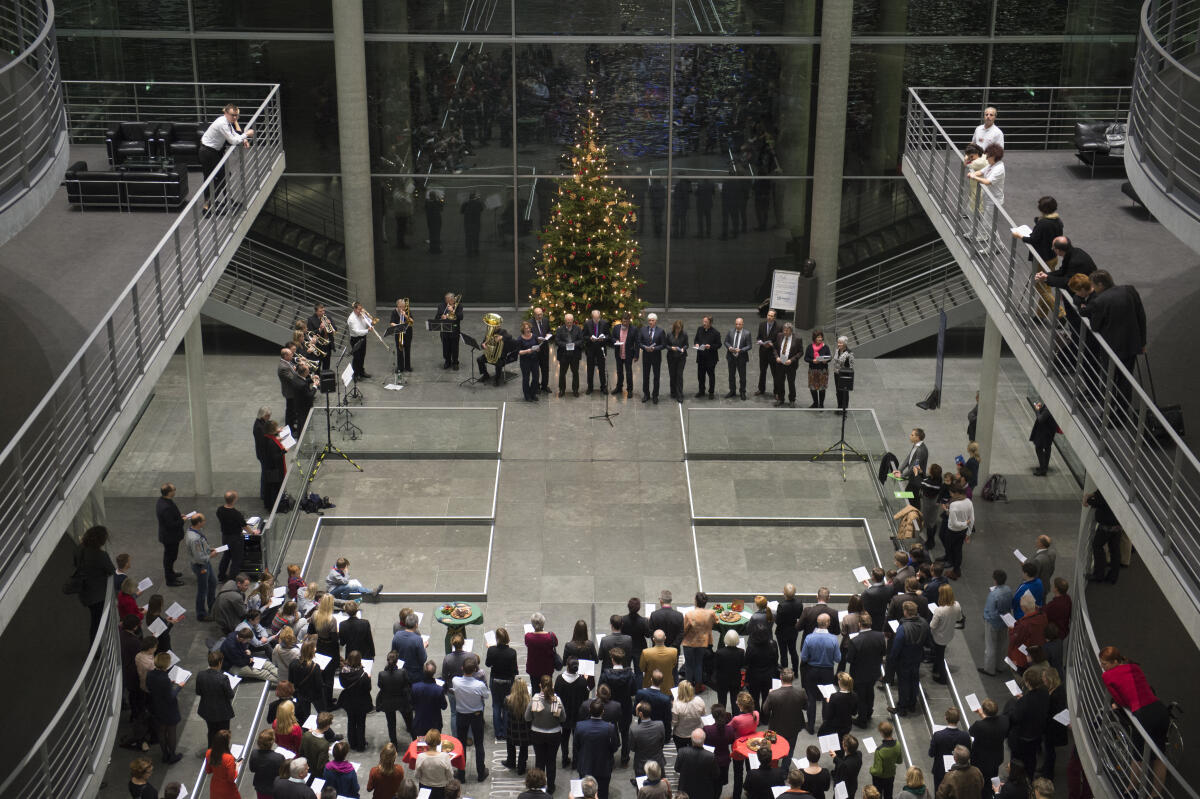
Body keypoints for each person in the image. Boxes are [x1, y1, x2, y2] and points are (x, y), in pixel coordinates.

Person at [1099, 645, 1170, 786]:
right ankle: (1155, 794)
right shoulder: (1134, 666)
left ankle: (1131, 788)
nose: (1102, 667)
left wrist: (1118, 705)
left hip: (1143, 715)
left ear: (1114, 662)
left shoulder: (1107, 676)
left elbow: (1121, 700)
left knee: (1137, 756)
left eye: (1104, 664)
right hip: (1160, 710)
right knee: (1159, 756)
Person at [199, 103, 254, 212]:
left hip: (213, 151)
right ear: (226, 113)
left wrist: (243, 139)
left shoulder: (227, 122)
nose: (235, 118)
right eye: (233, 115)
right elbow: (233, 141)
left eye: (236, 115)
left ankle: (224, 201)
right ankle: (207, 206)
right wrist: (247, 134)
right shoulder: (222, 123)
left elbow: (234, 134)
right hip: (208, 152)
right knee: (217, 177)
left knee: (221, 176)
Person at [73, 525, 117, 640]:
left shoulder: (79, 549)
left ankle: (96, 645)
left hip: (84, 591)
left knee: (95, 619)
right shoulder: (100, 555)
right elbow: (111, 570)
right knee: (97, 622)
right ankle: (96, 648)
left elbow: (75, 564)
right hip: (97, 596)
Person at [885, 602, 928, 718]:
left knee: (903, 683)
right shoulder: (924, 623)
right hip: (917, 657)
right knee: (914, 680)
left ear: (905, 612)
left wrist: (892, 660)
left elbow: (896, 647)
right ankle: (912, 704)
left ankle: (902, 707)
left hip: (904, 660)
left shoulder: (903, 628)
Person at [453, 655, 491, 782]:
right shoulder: (479, 685)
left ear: (462, 668)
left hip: (461, 715)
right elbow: (486, 696)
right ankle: (481, 772)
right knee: (479, 744)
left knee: (461, 744)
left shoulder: (455, 681)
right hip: (476, 715)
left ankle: (461, 773)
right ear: (475, 670)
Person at [527, 674, 567, 792]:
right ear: (552, 686)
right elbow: (563, 718)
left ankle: (539, 786)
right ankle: (551, 787)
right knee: (551, 761)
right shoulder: (557, 700)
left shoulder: (535, 698)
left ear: (540, 685)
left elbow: (527, 717)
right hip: (554, 735)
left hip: (537, 734)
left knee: (539, 761)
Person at [575, 699, 620, 799]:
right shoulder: (610, 728)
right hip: (603, 767)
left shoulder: (580, 726)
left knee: (585, 794)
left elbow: (576, 746)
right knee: (603, 793)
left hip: (585, 766)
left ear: (589, 710)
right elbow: (615, 747)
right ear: (603, 712)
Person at [800, 613, 838, 733]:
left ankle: (810, 727)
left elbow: (804, 657)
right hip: (827, 672)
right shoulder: (833, 639)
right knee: (826, 697)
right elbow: (838, 658)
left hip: (812, 671)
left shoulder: (809, 638)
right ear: (828, 623)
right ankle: (825, 725)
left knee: (811, 699)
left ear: (817, 622)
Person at [145, 651, 182, 764]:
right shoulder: (164, 679)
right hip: (168, 709)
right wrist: (179, 687)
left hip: (156, 707)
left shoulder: (150, 674)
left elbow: (150, 688)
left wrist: (168, 685)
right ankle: (172, 755)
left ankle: (164, 754)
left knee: (161, 731)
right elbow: (170, 697)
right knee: (171, 731)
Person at [966, 144, 1005, 248]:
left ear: (994, 156)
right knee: (989, 224)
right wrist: (975, 174)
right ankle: (997, 245)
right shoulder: (991, 165)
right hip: (988, 198)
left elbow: (988, 181)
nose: (986, 159)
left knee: (988, 224)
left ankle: (997, 245)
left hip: (994, 200)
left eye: (988, 157)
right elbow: (981, 171)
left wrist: (974, 177)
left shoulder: (999, 168)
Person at [761, 668, 806, 755]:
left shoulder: (773, 694)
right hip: (794, 726)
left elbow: (765, 710)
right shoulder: (801, 692)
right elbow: (805, 707)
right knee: (790, 749)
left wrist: (769, 694)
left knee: (775, 748)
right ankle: (785, 767)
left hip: (777, 727)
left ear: (781, 678)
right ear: (792, 679)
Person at [183, 514, 218, 622]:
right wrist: (210, 555)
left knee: (213, 582)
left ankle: (213, 606)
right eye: (203, 520)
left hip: (205, 564)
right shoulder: (195, 539)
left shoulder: (192, 531)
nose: (205, 521)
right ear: (198, 522)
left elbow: (200, 549)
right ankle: (201, 614)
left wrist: (208, 549)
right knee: (203, 590)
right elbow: (199, 558)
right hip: (201, 566)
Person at [967, 698, 1009, 786]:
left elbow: (971, 731)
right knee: (993, 777)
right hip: (996, 757)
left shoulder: (979, 725)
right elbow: (992, 723)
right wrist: (982, 714)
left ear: (984, 710)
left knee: (979, 780)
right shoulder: (1004, 720)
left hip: (981, 759)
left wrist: (982, 715)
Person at [377, 650, 415, 746]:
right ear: (397, 661)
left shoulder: (382, 674)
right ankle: (415, 740)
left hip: (388, 702)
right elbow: (408, 683)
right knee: (409, 721)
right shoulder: (402, 672)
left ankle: (394, 744)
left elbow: (380, 686)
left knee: (391, 723)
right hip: (402, 700)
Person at [337, 650, 373, 751]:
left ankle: (352, 743)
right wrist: (368, 678)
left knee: (351, 721)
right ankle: (361, 745)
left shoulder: (343, 672)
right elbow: (368, 689)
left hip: (349, 701)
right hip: (361, 702)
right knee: (361, 723)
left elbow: (343, 685)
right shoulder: (363, 675)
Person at [926, 708, 970, 789]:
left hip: (940, 770)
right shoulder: (965, 736)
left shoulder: (938, 735)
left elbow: (931, 754)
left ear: (946, 718)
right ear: (958, 719)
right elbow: (968, 754)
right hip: (959, 771)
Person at [728, 691, 760, 799]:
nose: (736, 702)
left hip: (739, 748)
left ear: (741, 706)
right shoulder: (756, 714)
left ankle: (736, 796)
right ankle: (750, 792)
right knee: (750, 771)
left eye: (738, 702)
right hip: (752, 746)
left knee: (738, 773)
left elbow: (728, 729)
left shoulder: (737, 719)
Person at [1086, 490, 1123, 584]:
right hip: (1117, 526)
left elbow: (1095, 501)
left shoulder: (1108, 491)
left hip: (1106, 527)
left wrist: (1088, 498)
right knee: (1115, 551)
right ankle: (1113, 576)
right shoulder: (1119, 489)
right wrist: (1094, 494)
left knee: (1097, 546)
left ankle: (1099, 574)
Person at [681, 593, 717, 690]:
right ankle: (698, 687)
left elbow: (684, 630)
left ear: (696, 601)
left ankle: (688, 688)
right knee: (698, 664)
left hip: (689, 643)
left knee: (689, 665)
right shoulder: (711, 613)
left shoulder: (689, 615)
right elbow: (716, 621)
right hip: (702, 643)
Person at [155, 483, 187, 586]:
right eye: (174, 490)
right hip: (170, 537)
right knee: (170, 558)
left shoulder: (162, 501)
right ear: (169, 492)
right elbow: (171, 525)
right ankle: (170, 580)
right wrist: (183, 520)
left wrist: (178, 516)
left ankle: (171, 573)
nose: (175, 491)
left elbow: (169, 519)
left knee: (170, 557)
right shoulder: (166, 507)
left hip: (168, 535)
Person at [675, 727, 718, 799]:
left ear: (691, 740)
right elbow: (716, 774)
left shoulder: (682, 751)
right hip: (704, 790)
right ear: (704, 740)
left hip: (685, 789)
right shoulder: (710, 756)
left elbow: (677, 768)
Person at [631, 699, 667, 779]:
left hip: (641, 765)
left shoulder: (634, 730)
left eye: (636, 710)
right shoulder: (660, 725)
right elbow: (662, 742)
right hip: (658, 762)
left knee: (643, 789)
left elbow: (632, 748)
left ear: (640, 714)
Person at [819, 672, 858, 744]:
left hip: (836, 726)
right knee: (843, 742)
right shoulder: (854, 695)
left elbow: (829, 715)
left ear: (840, 683)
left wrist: (828, 703)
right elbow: (854, 712)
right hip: (847, 724)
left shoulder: (835, 697)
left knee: (836, 744)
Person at [505, 677, 534, 773]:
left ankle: (511, 762)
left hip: (512, 728)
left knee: (510, 745)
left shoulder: (508, 700)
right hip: (525, 730)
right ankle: (521, 767)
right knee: (523, 748)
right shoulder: (530, 701)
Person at [868, 721, 902, 799]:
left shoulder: (879, 750)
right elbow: (899, 761)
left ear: (882, 733)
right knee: (888, 795)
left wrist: (871, 770)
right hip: (890, 775)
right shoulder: (897, 744)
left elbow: (877, 771)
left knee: (877, 795)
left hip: (879, 778)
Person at [714, 631, 746, 711]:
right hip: (735, 679)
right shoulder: (741, 652)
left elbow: (716, 667)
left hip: (722, 680)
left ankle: (721, 719)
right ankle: (735, 717)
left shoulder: (719, 652)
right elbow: (742, 666)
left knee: (721, 701)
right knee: (735, 702)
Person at [250, 728, 286, 799]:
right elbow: (282, 774)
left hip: (260, 786)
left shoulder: (254, 753)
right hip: (273, 788)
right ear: (272, 742)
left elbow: (252, 769)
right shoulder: (279, 757)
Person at [555, 313, 585, 397]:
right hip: (563, 355)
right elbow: (557, 340)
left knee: (575, 372)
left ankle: (575, 390)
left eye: (570, 322)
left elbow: (581, 340)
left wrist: (574, 344)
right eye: (567, 322)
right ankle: (562, 390)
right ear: (565, 321)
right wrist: (566, 345)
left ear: (573, 321)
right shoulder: (560, 330)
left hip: (574, 355)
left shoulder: (578, 329)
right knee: (562, 373)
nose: (569, 324)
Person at [205, 729, 241, 799]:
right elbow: (231, 778)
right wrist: (236, 767)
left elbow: (208, 770)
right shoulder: (229, 758)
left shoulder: (209, 752)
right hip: (227, 789)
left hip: (215, 786)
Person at [610, 311, 639, 398]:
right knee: (619, 371)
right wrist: (616, 341)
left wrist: (636, 355)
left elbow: (637, 343)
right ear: (621, 320)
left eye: (627, 321)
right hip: (619, 354)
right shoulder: (616, 328)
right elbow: (612, 338)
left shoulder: (634, 329)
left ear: (629, 321)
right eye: (623, 321)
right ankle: (619, 387)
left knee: (629, 372)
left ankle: (629, 390)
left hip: (628, 354)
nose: (625, 323)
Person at [413, 660, 448, 733]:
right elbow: (444, 706)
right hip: (435, 724)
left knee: (421, 743)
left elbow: (411, 703)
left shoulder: (415, 687)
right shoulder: (439, 689)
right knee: (434, 743)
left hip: (420, 722)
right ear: (434, 672)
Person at [392, 613, 429, 681]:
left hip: (400, 672)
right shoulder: (418, 639)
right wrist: (423, 647)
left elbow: (393, 654)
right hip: (414, 674)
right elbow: (423, 658)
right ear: (416, 625)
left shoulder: (397, 635)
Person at [638, 313, 666, 403]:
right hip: (646, 356)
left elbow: (663, 345)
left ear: (656, 321)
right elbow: (639, 343)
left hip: (656, 357)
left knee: (656, 377)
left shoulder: (661, 331)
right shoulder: (643, 330)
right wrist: (644, 347)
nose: (650, 322)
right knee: (646, 376)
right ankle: (646, 394)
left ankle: (655, 395)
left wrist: (655, 348)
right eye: (649, 320)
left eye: (652, 320)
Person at [773, 322, 801, 406]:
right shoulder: (779, 336)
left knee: (791, 382)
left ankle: (792, 400)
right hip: (780, 363)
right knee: (780, 382)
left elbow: (800, 352)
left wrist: (792, 360)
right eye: (784, 330)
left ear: (791, 331)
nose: (785, 332)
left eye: (787, 331)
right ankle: (781, 398)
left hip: (790, 365)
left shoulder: (797, 339)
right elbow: (774, 348)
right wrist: (776, 357)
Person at [583, 309, 611, 395]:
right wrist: (590, 338)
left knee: (602, 369)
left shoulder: (604, 323)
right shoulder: (587, 323)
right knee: (590, 369)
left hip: (601, 348)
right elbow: (584, 336)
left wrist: (604, 338)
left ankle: (603, 387)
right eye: (594, 319)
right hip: (591, 349)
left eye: (598, 318)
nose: (596, 320)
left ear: (600, 317)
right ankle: (590, 387)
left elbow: (608, 335)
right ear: (592, 317)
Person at [724, 317, 751, 400]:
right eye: (736, 324)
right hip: (731, 357)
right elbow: (726, 342)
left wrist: (741, 350)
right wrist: (729, 347)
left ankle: (742, 392)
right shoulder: (730, 331)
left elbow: (749, 346)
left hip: (741, 358)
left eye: (739, 324)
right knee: (731, 375)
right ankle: (732, 391)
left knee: (742, 376)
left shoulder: (747, 333)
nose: (737, 326)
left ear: (742, 324)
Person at [804, 329, 832, 408]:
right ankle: (815, 403)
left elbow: (829, 357)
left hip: (823, 371)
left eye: (821, 337)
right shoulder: (810, 347)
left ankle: (821, 404)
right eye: (818, 337)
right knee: (813, 388)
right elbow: (806, 358)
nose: (820, 339)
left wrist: (825, 361)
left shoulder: (825, 347)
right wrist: (813, 360)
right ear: (814, 338)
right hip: (813, 370)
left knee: (822, 388)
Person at [1028, 401, 1056, 477]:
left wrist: (1037, 410)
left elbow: (1040, 419)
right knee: (1047, 447)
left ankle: (1043, 469)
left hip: (1045, 432)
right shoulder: (1051, 405)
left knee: (1039, 448)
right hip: (1049, 431)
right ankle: (1044, 467)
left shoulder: (1048, 409)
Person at [436, 293, 463, 370]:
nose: (448, 302)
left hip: (454, 329)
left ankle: (455, 362)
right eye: (446, 300)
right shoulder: (441, 306)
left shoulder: (459, 306)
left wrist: (453, 311)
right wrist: (441, 317)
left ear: (453, 299)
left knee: (454, 347)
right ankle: (447, 361)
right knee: (445, 347)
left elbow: (461, 317)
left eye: (450, 300)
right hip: (444, 330)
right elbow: (437, 317)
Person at [755, 310, 779, 396]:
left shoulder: (779, 327)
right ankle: (761, 389)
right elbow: (758, 337)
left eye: (771, 316)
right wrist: (760, 342)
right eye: (768, 315)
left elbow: (779, 341)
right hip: (763, 352)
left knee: (775, 373)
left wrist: (772, 344)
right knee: (762, 372)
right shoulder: (762, 325)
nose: (769, 317)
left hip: (773, 354)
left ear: (774, 317)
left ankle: (776, 392)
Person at [516, 322, 542, 402]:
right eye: (526, 328)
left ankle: (532, 393)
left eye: (529, 328)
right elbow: (519, 352)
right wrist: (527, 351)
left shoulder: (534, 336)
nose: (527, 330)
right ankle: (527, 396)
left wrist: (538, 349)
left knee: (536, 378)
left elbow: (538, 347)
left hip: (534, 360)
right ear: (523, 330)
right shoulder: (519, 339)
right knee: (526, 379)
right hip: (525, 362)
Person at [666, 319, 690, 402]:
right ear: (674, 328)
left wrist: (683, 349)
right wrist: (671, 348)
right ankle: (673, 392)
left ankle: (679, 394)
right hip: (671, 357)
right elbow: (666, 345)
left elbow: (687, 345)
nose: (678, 330)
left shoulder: (684, 334)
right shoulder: (669, 334)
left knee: (679, 375)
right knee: (672, 375)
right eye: (676, 328)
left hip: (681, 357)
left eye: (679, 328)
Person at [387, 297, 413, 373]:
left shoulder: (407, 311)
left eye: (403, 307)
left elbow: (412, 321)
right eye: (400, 307)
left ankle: (408, 366)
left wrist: (405, 315)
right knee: (399, 350)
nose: (402, 308)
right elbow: (391, 322)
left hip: (408, 333)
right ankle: (400, 367)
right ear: (397, 306)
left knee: (407, 349)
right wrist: (397, 325)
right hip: (398, 333)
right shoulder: (394, 312)